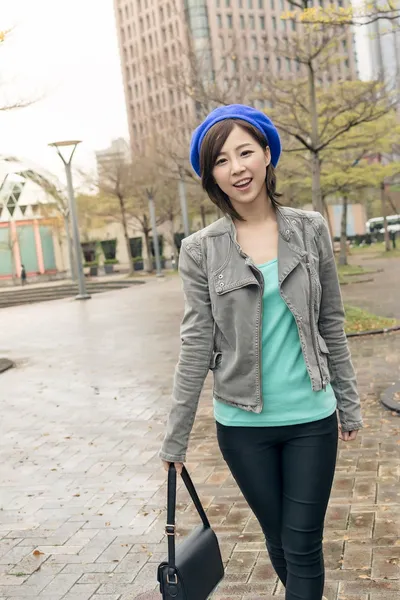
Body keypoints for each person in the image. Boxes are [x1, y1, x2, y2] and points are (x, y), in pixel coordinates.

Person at [159, 104, 363, 600]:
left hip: (311, 417)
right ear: (212, 175)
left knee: (303, 544)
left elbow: (330, 321)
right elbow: (195, 343)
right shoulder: (200, 250)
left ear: (267, 155)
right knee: (278, 539)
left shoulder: (309, 228)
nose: (238, 167)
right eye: (222, 160)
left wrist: (349, 402)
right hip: (242, 427)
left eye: (246, 152)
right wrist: (175, 439)